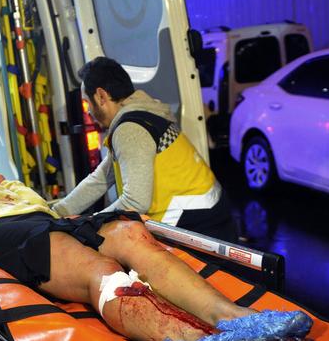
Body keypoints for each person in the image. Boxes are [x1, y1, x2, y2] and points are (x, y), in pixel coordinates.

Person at [0, 169, 314, 341]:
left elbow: (52, 208)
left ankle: (235, 320)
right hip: (2, 233)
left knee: (130, 234)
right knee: (102, 271)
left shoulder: (6, 187)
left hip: (43, 219)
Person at [52, 56, 237, 242]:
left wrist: (89, 226)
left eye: (87, 103)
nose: (89, 112)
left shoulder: (130, 130)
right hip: (208, 215)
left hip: (196, 225)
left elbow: (135, 202)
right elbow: (100, 179)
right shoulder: (141, 116)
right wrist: (56, 212)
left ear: (101, 96)